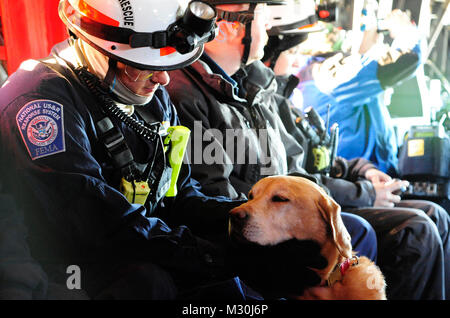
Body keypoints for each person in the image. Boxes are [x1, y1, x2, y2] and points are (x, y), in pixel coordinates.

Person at [0, 0, 318, 300]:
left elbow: (180, 197)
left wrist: (252, 227)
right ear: (96, 48)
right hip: (64, 267)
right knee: (148, 283)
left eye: (168, 63)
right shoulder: (39, 103)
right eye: (145, 65)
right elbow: (96, 218)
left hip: (138, 244)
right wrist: (216, 258)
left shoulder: (149, 97)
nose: (164, 78)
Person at [167, 0, 447, 299]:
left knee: (433, 215)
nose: (267, 30)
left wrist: (362, 173)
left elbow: (295, 165)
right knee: (399, 229)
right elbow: (215, 192)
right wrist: (360, 193)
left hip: (288, 207)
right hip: (251, 224)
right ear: (225, 28)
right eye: (262, 22)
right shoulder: (189, 96)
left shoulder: (253, 91)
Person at [261, 2, 449, 300]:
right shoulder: (328, 76)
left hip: (353, 180)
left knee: (436, 214)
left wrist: (367, 172)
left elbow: (322, 158)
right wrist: (406, 34)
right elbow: (403, 63)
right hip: (338, 196)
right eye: (293, 51)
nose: (297, 58)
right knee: (418, 229)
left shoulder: (288, 97)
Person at [292, 9, 424, 177]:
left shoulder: (312, 79)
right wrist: (404, 30)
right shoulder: (330, 77)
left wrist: (368, 43)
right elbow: (407, 59)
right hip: (365, 178)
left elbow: (363, 66)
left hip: (356, 177)